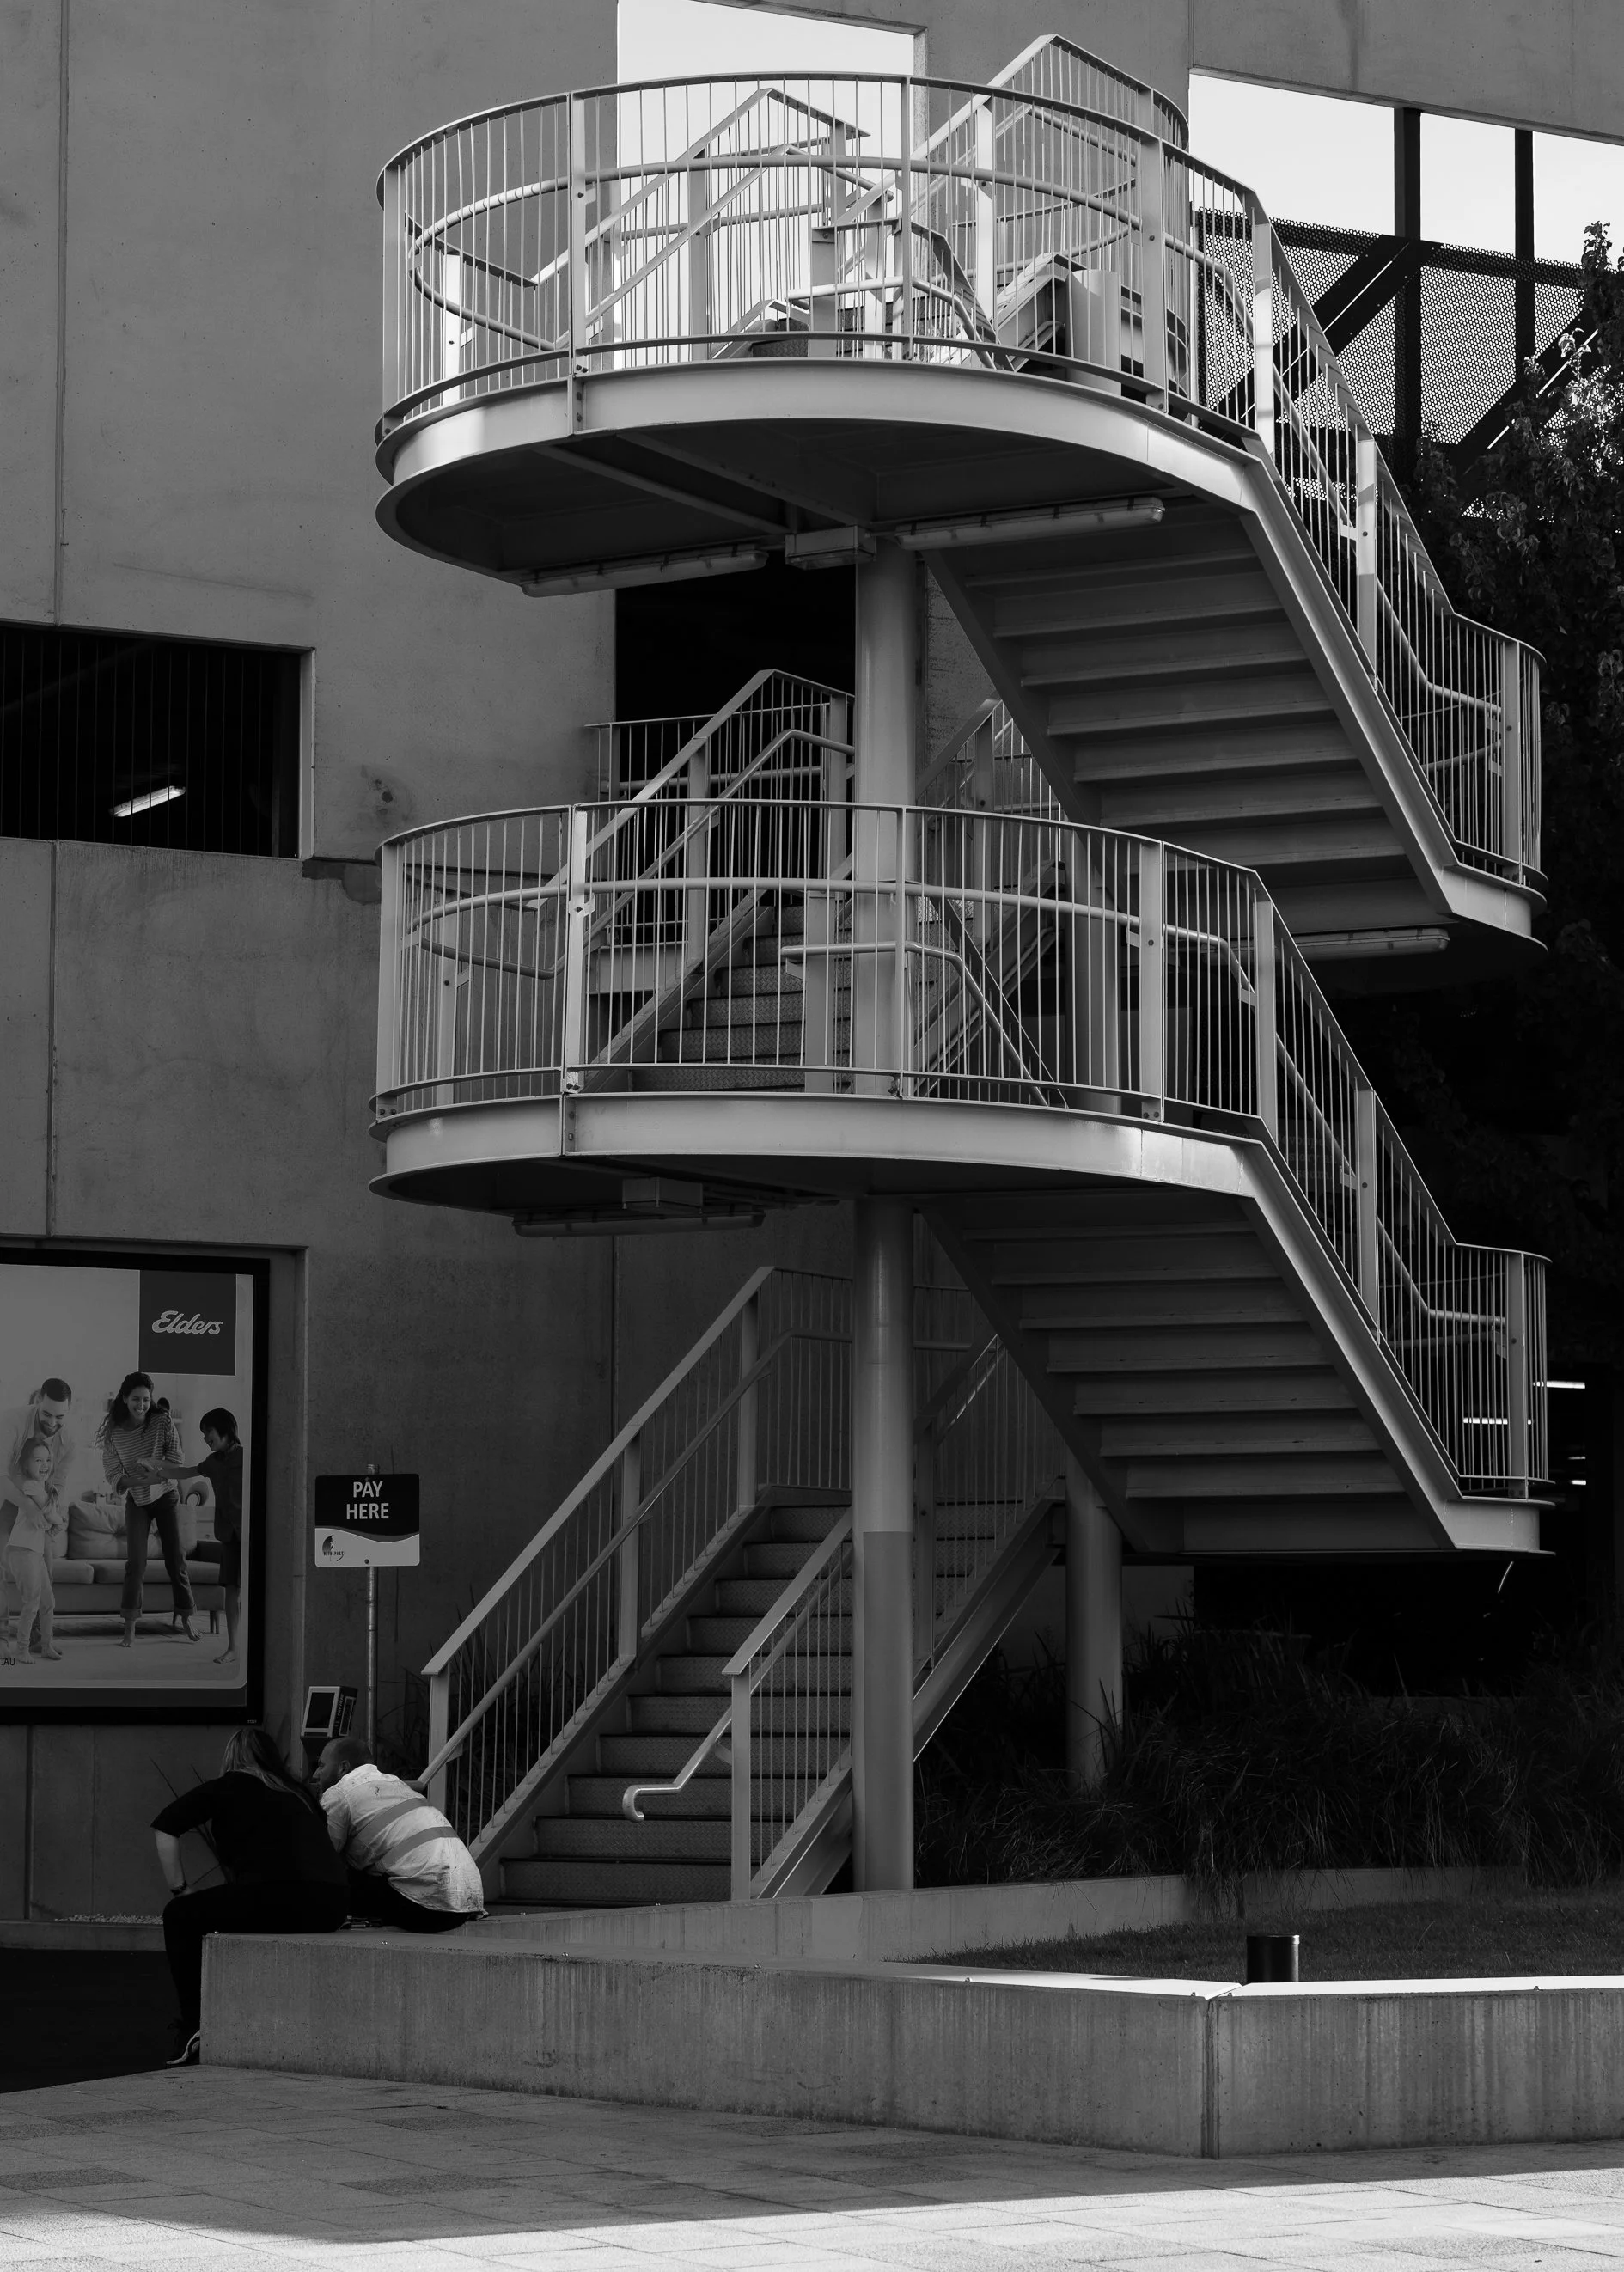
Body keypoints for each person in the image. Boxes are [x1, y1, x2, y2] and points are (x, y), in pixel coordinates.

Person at [151, 1725, 349, 2067]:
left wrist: (181, 1889)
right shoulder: (299, 1793)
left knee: (179, 1915)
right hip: (331, 1905)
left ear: (232, 1757)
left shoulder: (229, 1785)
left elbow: (166, 1826)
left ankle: (194, 2025)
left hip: (275, 1898)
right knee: (238, 1903)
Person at [313, 1735, 485, 1932]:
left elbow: (322, 1859)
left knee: (331, 1882)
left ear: (343, 1767)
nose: (316, 1775)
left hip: (426, 1908)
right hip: (465, 1904)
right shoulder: (397, 1785)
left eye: (321, 1765)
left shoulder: (339, 1793)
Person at [98, 1372, 197, 1649]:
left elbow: (177, 1461)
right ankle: (129, 1628)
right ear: (124, 1399)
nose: (141, 1405)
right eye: (135, 1399)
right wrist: (141, 1481)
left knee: (176, 1559)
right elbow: (113, 1473)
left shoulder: (161, 1421)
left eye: (145, 1399)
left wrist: (152, 1465)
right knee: (136, 1564)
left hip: (166, 1497)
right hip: (138, 1500)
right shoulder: (114, 1432)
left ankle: (187, 1617)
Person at [140, 1406, 243, 1667]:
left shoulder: (247, 1457)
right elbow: (186, 1472)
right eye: (203, 1433)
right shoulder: (213, 1462)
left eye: (208, 1431)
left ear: (225, 1429)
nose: (205, 1437)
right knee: (232, 1592)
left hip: (251, 1534)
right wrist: (158, 1473)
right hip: (229, 1537)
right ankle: (233, 1647)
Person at [3, 1381, 76, 1655]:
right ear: (37, 1403)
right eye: (46, 1414)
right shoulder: (12, 1423)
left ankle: (39, 1640)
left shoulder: (68, 1440)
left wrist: (55, 1516)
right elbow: (2, 1477)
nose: (52, 1422)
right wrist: (32, 1507)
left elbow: (59, 1485)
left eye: (60, 1416)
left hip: (39, 1506)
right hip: (8, 1498)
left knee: (45, 1572)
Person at [3, 1439, 63, 1664]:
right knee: (32, 1602)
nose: (45, 1465)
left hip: (35, 1552)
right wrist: (58, 1520)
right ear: (26, 1465)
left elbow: (50, 1520)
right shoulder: (30, 1486)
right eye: (38, 1460)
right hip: (21, 1550)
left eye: (47, 1460)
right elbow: (52, 1516)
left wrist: (55, 1520)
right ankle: (21, 1650)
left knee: (48, 1602)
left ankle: (46, 1646)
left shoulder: (44, 1489)